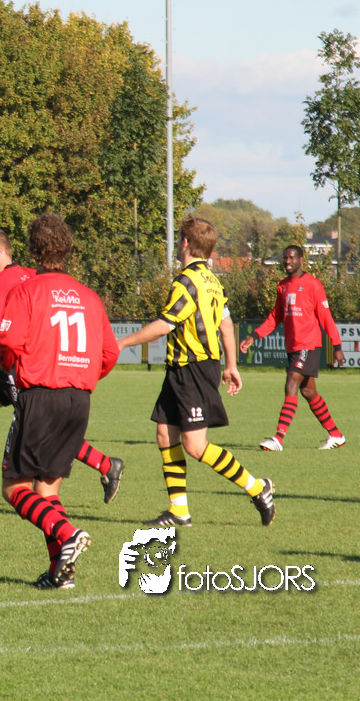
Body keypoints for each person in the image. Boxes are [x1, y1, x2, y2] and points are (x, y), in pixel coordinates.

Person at [0, 229, 123, 503]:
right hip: (22, 370)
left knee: (48, 434)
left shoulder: (1, 280)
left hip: (23, 371)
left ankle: (106, 466)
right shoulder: (31, 274)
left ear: (0, 251)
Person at [119, 217, 275, 530]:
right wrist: (231, 365)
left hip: (194, 368)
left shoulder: (186, 281)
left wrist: (122, 342)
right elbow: (226, 324)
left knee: (195, 445)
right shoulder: (213, 281)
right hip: (183, 369)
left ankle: (258, 488)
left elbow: (165, 324)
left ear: (186, 243)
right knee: (165, 432)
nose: (177, 245)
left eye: (179, 239)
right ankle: (178, 511)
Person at [0, 213, 119, 589]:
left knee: (14, 487)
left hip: (40, 396)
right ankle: (59, 574)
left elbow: (7, 342)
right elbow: (110, 353)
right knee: (47, 491)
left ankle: (68, 533)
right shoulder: (89, 296)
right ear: (68, 251)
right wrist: (82, 378)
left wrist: (10, 368)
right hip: (78, 399)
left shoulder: (27, 291)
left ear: (34, 250)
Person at [239, 245, 347, 451]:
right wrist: (254, 336)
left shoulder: (313, 285)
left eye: (292, 258)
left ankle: (278, 438)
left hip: (308, 344)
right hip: (293, 346)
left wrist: (337, 345)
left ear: (301, 260)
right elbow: (275, 316)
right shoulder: (283, 286)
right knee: (308, 391)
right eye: (285, 258)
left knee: (291, 384)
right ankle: (336, 435)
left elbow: (326, 317)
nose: (287, 262)